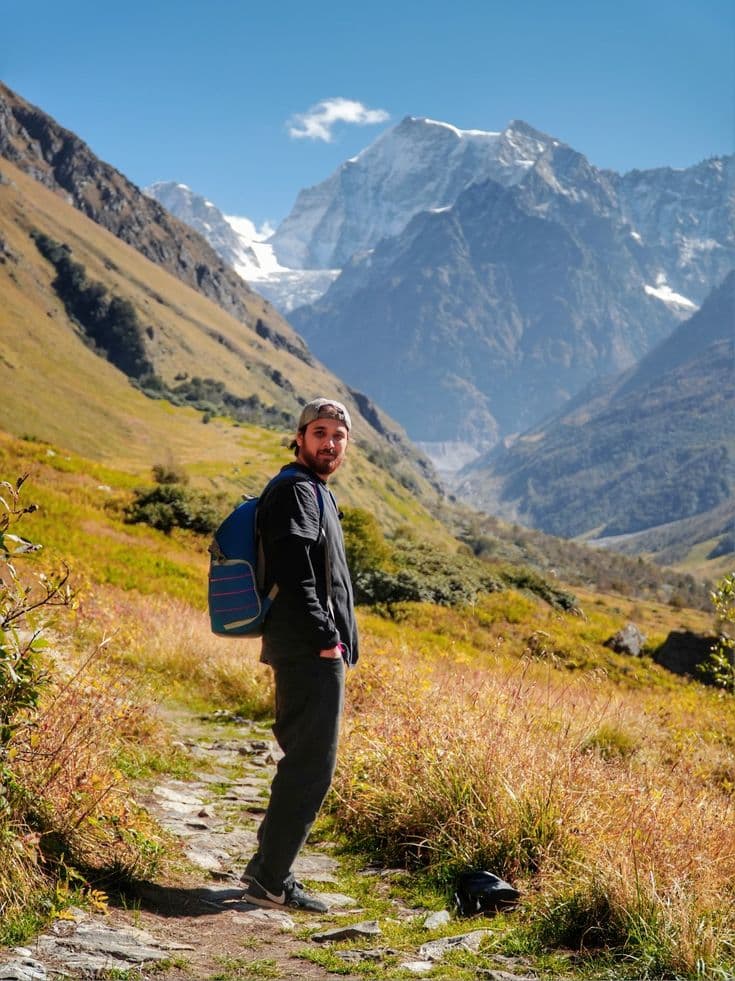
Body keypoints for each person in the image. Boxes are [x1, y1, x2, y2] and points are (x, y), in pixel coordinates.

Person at [240, 397, 359, 913]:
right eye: (320, 433)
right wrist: (326, 637)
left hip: (306, 645)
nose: (329, 443)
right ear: (300, 437)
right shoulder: (296, 490)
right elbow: (295, 569)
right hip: (309, 648)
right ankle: (271, 880)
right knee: (312, 767)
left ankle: (266, 868)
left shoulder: (312, 489)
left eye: (338, 435)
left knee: (302, 760)